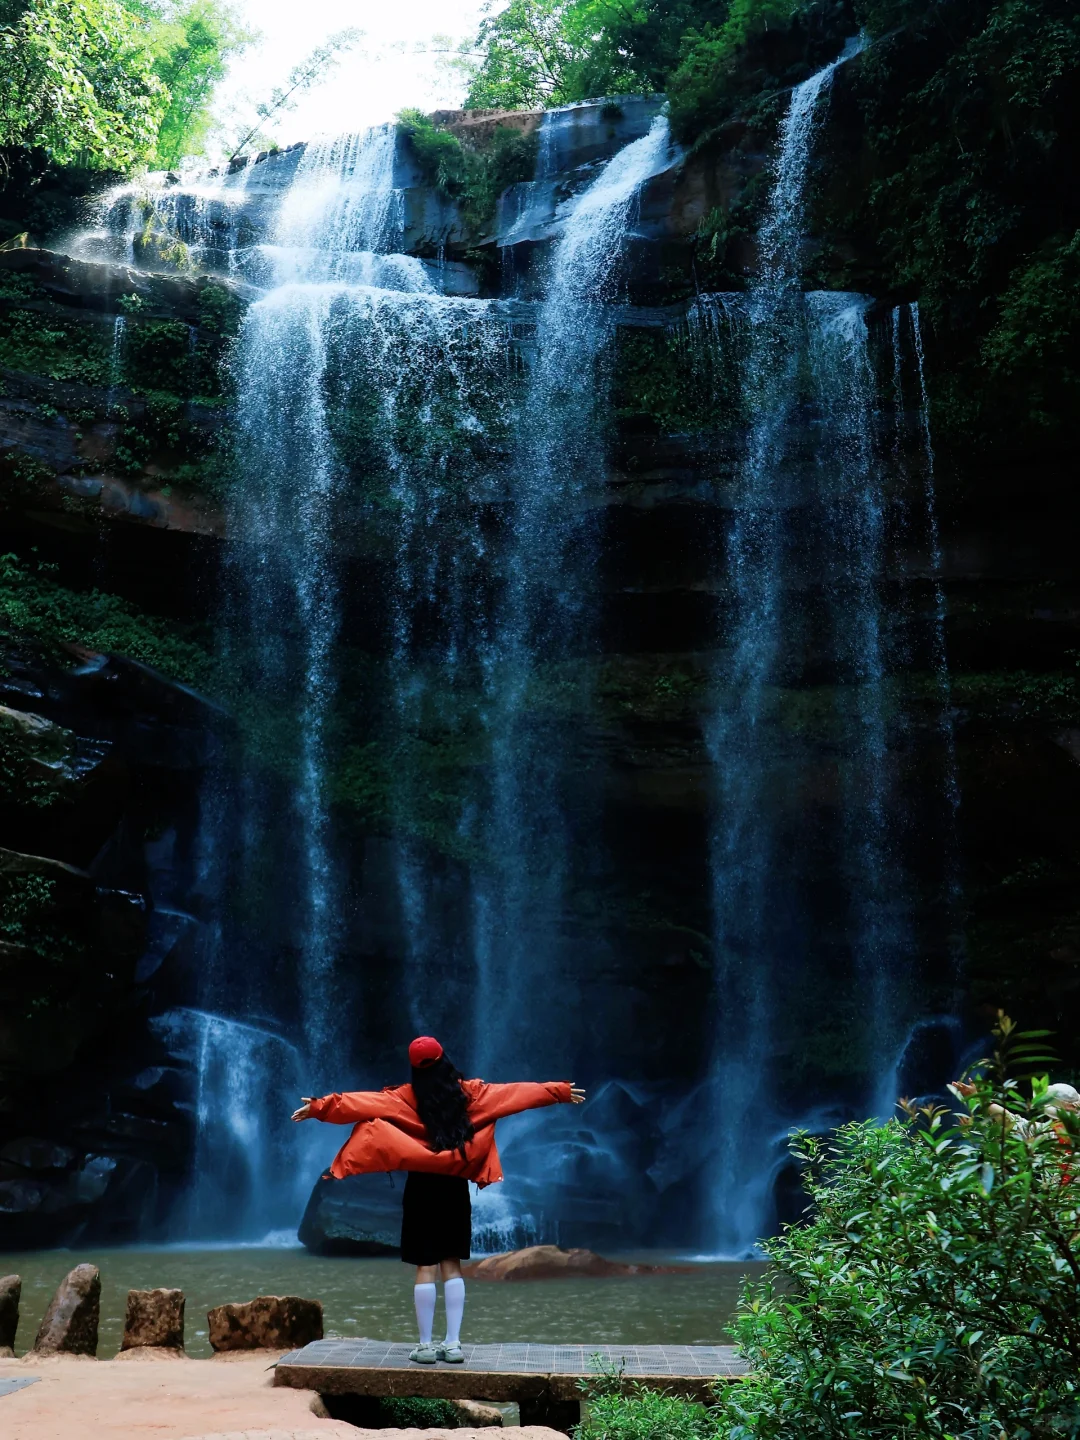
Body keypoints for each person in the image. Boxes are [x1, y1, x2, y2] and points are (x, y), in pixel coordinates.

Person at [292, 1036, 585, 1364]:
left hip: (421, 1188)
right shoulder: (472, 1094)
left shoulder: (404, 1097)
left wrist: (318, 1107)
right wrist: (558, 1091)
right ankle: (454, 1344)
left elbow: (360, 1103)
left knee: (425, 1266)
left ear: (414, 1068)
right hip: (453, 1188)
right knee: (451, 1265)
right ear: (444, 1059)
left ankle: (425, 1347)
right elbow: (516, 1095)